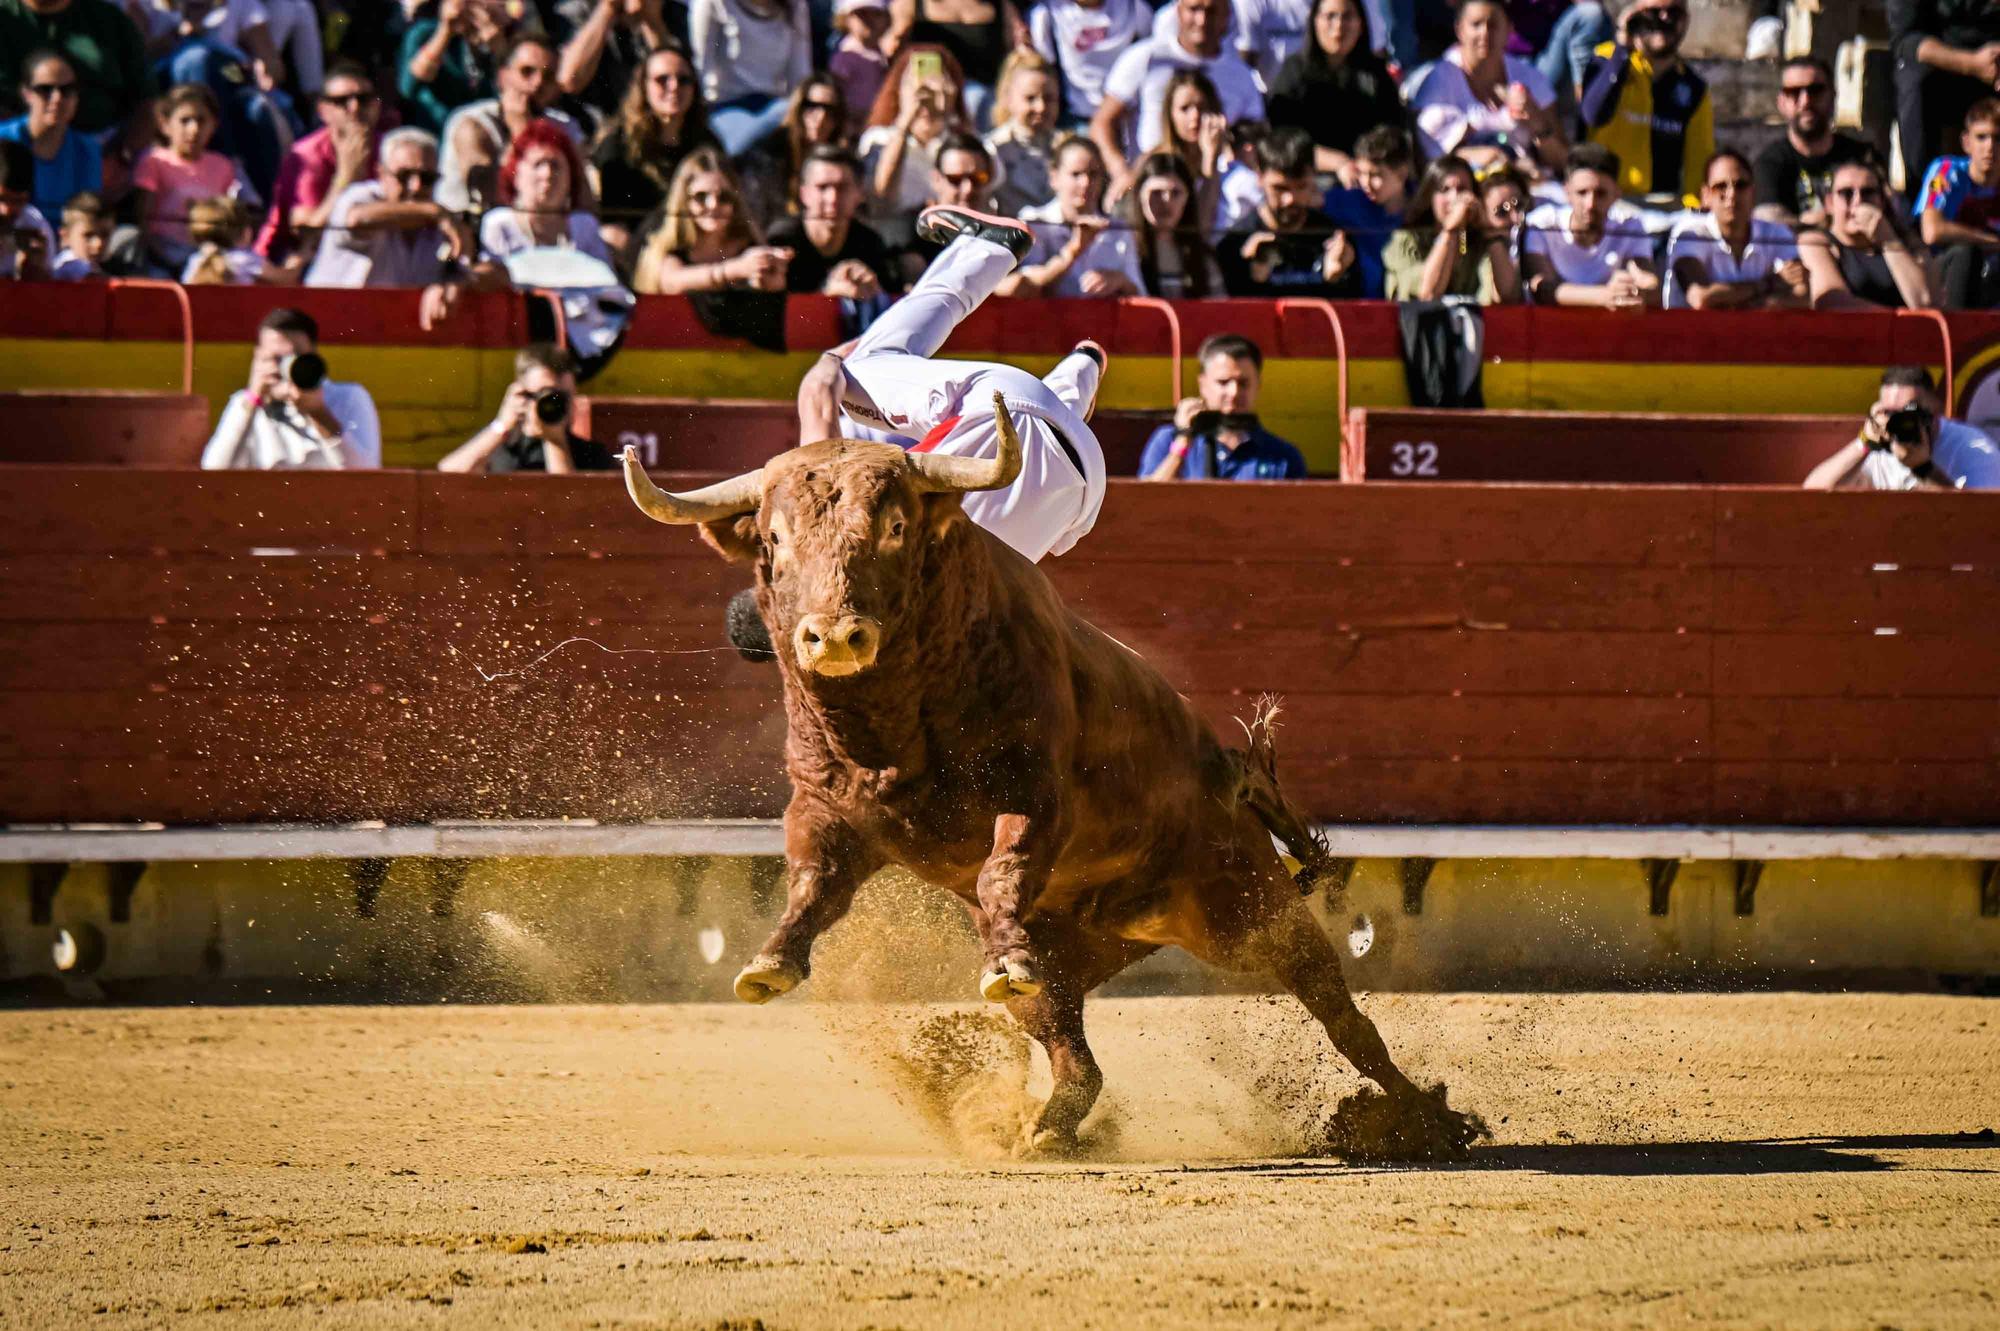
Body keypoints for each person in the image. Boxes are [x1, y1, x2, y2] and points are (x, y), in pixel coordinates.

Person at [788, 203, 1109, 567]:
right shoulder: (830, 519)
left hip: (1082, 482)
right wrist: (839, 361)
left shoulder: (913, 607)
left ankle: (1081, 370)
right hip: (1005, 412)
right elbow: (818, 389)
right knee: (856, 372)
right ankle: (990, 248)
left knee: (1042, 430)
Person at [304, 127, 483, 330]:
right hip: (331, 330)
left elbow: (484, 270)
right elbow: (356, 220)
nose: (415, 186)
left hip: (393, 338)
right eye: (404, 175)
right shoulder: (361, 197)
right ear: (381, 173)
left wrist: (455, 283)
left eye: (427, 178)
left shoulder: (442, 223)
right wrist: (431, 211)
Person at [1091, 0, 1264, 190]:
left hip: (1216, 193)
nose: (1202, 20)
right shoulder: (1145, 58)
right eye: (1194, 9)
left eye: (1212, 11)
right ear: (1178, 11)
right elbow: (1102, 122)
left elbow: (1253, 136)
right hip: (1149, 184)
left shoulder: (1241, 76)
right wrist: (1122, 174)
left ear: (1227, 16)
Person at [200, 306, 382, 470]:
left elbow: (366, 472)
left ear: (313, 357)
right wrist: (252, 401)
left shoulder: (347, 397)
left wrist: (319, 414)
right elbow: (214, 471)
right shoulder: (245, 403)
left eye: (295, 359)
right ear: (258, 358)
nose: (285, 370)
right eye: (276, 359)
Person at [1405, 0, 1566, 177]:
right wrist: (1492, 160)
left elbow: (1563, 163)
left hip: (1534, 187)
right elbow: (1429, 162)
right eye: (1476, 24)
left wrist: (1537, 123)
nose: (1485, 33)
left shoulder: (1531, 78)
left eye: (1494, 25)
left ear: (1509, 30)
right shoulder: (1438, 81)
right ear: (1459, 30)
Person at [1578, 0, 1713, 206]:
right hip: (1604, 202)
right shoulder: (1606, 60)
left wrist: (1694, 211)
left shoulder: (1693, 87)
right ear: (1635, 16)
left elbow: (1699, 162)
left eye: (1674, 12)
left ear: (1686, 21)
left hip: (1661, 206)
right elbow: (1593, 114)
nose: (1664, 19)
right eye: (1654, 12)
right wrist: (1623, 47)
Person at [589, 43, 717, 255]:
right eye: (662, 79)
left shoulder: (706, 142)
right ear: (643, 87)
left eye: (684, 80)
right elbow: (614, 222)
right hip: (639, 249)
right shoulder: (618, 144)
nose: (674, 86)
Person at [437, 33, 583, 215]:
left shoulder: (565, 126)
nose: (537, 83)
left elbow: (584, 201)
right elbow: (487, 195)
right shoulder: (472, 123)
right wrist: (522, 132)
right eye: (527, 72)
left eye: (548, 76)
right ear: (503, 77)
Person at [253, 59, 381, 264]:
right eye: (341, 101)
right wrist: (346, 177)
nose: (355, 107)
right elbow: (308, 232)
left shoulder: (391, 149)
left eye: (363, 99)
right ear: (323, 110)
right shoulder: (306, 156)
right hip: (295, 262)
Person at [1264, 0, 1403, 185]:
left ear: (1361, 24)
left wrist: (1366, 164)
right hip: (1311, 175)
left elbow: (1391, 130)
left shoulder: (1376, 75)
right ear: (1315, 22)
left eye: (1347, 17)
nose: (1338, 26)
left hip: (1368, 175)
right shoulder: (1294, 73)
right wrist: (1337, 163)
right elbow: (1282, 138)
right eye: (1330, 16)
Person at [1138, 333, 1306, 479]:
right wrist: (1181, 446)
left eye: (1243, 383)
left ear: (1258, 385)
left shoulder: (1283, 457)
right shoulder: (1167, 441)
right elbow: (1142, 503)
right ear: (1203, 384)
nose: (1234, 392)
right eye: (1223, 382)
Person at [1804, 365, 2000, 490]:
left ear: (1934, 411)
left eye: (1910, 410)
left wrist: (1924, 469)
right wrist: (1864, 444)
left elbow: (1978, 521)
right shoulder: (1879, 444)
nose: (1900, 420)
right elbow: (1813, 494)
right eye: (1890, 412)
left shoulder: (1973, 447)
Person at [1216, 124, 1356, 297]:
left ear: (1313, 178)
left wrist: (1336, 279)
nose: (1289, 199)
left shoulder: (1333, 240)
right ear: (1259, 178)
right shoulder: (1235, 244)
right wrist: (1249, 276)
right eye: (1279, 188)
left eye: (1300, 187)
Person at [632, 145, 792, 293]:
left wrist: (769, 276)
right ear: (683, 202)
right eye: (701, 197)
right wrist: (735, 269)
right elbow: (673, 281)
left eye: (724, 197)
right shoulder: (670, 250)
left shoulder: (747, 245)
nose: (713, 205)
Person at [438, 343, 615, 473]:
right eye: (544, 395)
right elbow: (446, 478)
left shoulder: (592, 455)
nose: (555, 404)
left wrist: (555, 441)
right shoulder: (499, 448)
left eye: (563, 397)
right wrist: (501, 426)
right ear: (521, 393)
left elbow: (568, 502)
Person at [1522, 142, 1658, 307]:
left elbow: (1649, 283)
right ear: (1567, 192)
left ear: (1617, 194)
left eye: (1600, 193)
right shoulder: (1542, 224)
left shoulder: (1629, 226)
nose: (1590, 204)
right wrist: (1606, 296)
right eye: (1582, 193)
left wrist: (1634, 290)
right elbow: (1541, 289)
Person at [1664, 149, 1805, 308]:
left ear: (1753, 192)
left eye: (1740, 185)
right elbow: (1701, 298)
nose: (1731, 194)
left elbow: (1803, 296)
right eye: (1720, 186)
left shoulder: (1777, 233)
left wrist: (1738, 302)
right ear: (1705, 195)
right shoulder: (1689, 232)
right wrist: (1768, 284)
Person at [1888, 0, 2000, 202]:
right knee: (1915, 81)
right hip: (1943, 66)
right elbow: (1906, 41)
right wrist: (1972, 63)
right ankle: (1926, 201)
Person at [130, 81, 246, 272]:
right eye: (185, 120)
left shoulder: (223, 166)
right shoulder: (153, 161)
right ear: (165, 124)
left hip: (209, 256)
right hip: (161, 255)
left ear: (214, 124)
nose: (194, 129)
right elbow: (142, 219)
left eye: (201, 120)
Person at [1752, 55, 1878, 231]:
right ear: (1781, 102)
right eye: (1794, 92)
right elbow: (1768, 225)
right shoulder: (1768, 163)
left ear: (1833, 95)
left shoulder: (1863, 156)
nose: (1806, 101)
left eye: (1815, 90)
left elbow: (1889, 212)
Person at [0, 0, 154, 139]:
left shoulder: (110, 21)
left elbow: (145, 99)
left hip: (105, 148)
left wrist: (125, 157)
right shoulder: (6, 17)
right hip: (14, 149)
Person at [1013, 132, 1143, 295]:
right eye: (1076, 174)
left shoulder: (1118, 230)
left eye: (1093, 174)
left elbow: (1140, 293)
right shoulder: (1033, 221)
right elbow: (1027, 286)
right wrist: (1074, 250)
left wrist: (1120, 281)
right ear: (1054, 177)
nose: (1086, 183)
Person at [1797, 159, 1936, 310]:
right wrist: (1897, 320)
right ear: (1829, 203)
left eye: (1868, 192)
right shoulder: (1816, 242)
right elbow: (1833, 302)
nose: (1858, 201)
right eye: (1846, 193)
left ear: (1882, 201)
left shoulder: (1907, 241)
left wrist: (1888, 240)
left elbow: (1925, 301)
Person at [1382, 152, 1522, 302]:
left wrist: (1489, 232)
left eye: (1462, 189)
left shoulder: (1478, 243)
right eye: (1444, 190)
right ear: (1430, 197)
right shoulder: (1406, 240)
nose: (1454, 198)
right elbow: (1427, 293)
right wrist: (1450, 230)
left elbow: (1506, 295)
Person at [766, 144, 897, 297]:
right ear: (804, 193)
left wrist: (871, 288)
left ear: (860, 193)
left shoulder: (869, 243)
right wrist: (829, 296)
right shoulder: (782, 240)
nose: (832, 199)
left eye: (842, 188)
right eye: (822, 187)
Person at [859, 43, 972, 220]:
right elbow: (880, 194)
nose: (926, 91)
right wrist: (906, 121)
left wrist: (949, 111)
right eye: (915, 82)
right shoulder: (879, 138)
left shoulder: (959, 138)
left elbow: (984, 181)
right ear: (899, 90)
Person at [479, 116, 612, 266]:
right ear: (515, 174)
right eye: (538, 164)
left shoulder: (585, 226)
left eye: (555, 166)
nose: (547, 174)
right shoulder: (499, 225)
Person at [689, 0, 813, 156]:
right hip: (725, 106)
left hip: (775, 107)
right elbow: (702, 68)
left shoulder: (796, 6)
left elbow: (800, 75)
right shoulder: (712, 3)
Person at [1916, 98, 2000, 308]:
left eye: (1998, 138)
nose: (1990, 147)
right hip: (1943, 277)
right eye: (1981, 137)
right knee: (1966, 253)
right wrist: (1992, 241)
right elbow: (1932, 231)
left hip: (1993, 278)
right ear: (1966, 142)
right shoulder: (1945, 172)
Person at [883, 129, 995, 284]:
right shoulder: (913, 232)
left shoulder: (998, 235)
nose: (968, 188)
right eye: (955, 179)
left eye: (978, 178)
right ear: (936, 179)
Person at [399, 0, 524, 135]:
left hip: (492, 133)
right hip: (439, 133)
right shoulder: (425, 32)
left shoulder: (509, 34)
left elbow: (520, 89)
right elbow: (408, 87)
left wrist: (498, 47)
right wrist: (445, 31)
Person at [887, 0, 1020, 126]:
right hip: (927, 94)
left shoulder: (1001, 6)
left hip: (986, 96)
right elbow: (889, 48)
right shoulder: (910, 4)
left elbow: (1017, 51)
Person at [740, 72, 848, 228]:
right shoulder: (769, 156)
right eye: (812, 106)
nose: (821, 116)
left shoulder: (839, 161)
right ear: (798, 108)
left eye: (830, 110)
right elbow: (754, 217)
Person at [0, 50, 99, 218]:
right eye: (45, 89)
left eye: (67, 89)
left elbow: (86, 217)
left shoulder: (87, 149)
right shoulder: (3, 140)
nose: (57, 98)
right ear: (26, 93)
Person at [1029, 0, 1152, 128]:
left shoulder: (1134, 6)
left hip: (1126, 118)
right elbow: (1043, 67)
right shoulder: (1046, 13)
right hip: (1072, 118)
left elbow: (1150, 54)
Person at [1322, 123, 1412, 298]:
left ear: (1401, 173)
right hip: (1367, 310)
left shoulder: (1425, 204)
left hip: (1416, 309)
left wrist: (1460, 238)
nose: (1366, 184)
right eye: (1362, 173)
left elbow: (1463, 243)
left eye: (1376, 175)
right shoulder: (1352, 202)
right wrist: (1339, 163)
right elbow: (1303, 194)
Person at [1120, 149, 1219, 297]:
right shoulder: (1122, 248)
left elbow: (1219, 309)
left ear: (1187, 198)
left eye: (1175, 193)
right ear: (1139, 196)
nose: (1166, 202)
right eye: (1156, 193)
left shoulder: (1202, 257)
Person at [552, 0, 677, 117]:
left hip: (656, 124)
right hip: (600, 128)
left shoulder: (674, 12)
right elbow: (569, 80)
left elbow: (676, 79)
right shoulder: (575, 11)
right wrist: (607, 9)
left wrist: (652, 21)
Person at [984, 48, 1057, 218]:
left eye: (1049, 98)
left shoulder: (1066, 146)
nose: (1041, 107)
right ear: (1008, 98)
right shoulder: (993, 148)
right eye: (1030, 98)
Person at [184, 194, 296, 283]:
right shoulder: (246, 259)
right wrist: (301, 256)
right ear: (245, 231)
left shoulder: (196, 261)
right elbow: (285, 279)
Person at [829, 0, 892, 140]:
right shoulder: (843, 58)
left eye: (876, 14)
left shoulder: (885, 58)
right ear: (845, 19)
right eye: (862, 14)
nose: (869, 20)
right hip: (852, 132)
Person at [50, 187, 107, 277]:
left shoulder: (102, 267)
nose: (98, 243)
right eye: (88, 235)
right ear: (66, 236)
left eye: (105, 235)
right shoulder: (66, 266)